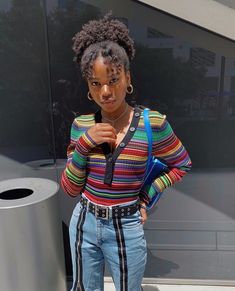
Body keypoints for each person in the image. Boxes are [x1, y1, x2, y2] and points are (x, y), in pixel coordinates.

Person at [61, 14, 192, 291]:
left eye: (113, 79)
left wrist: (146, 196)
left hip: (127, 224)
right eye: (96, 83)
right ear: (88, 86)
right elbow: (70, 189)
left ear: (127, 77)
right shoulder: (81, 126)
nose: (105, 91)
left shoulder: (152, 123)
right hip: (84, 222)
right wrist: (85, 144)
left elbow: (182, 164)